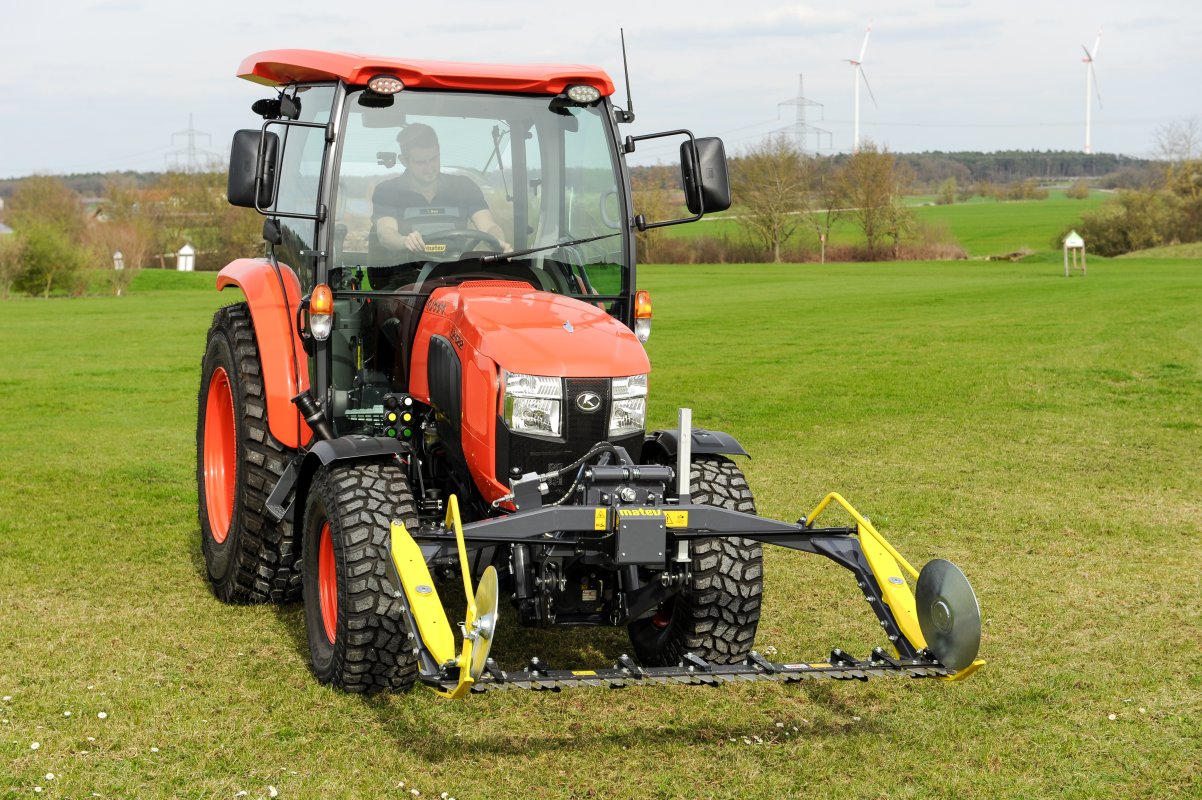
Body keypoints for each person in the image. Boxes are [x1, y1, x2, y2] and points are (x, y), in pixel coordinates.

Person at [372, 123, 510, 257]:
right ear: (404, 161)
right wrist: (405, 241)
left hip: (456, 272)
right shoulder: (387, 192)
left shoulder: (464, 187)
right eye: (421, 163)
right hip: (406, 274)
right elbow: (386, 232)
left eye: (433, 159)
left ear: (439, 151)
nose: (430, 169)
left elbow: (488, 226)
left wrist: (498, 241)